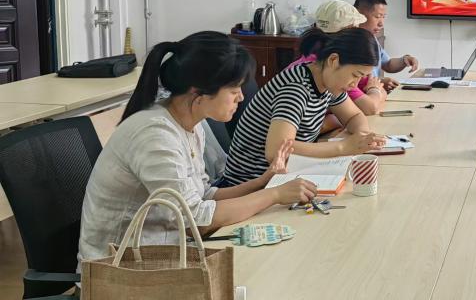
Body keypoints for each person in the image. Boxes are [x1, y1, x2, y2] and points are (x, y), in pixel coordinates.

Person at [79, 32, 317, 264]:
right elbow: (194, 220)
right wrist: (274, 195)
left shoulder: (192, 124)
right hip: (120, 270)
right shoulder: (155, 135)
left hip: (164, 256)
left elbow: (203, 195)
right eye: (234, 90)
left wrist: (262, 182)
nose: (241, 98)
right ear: (198, 93)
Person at [220, 27, 386, 187]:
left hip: (288, 171)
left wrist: (362, 138)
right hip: (254, 182)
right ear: (333, 61)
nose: (355, 84)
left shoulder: (328, 83)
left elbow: (354, 116)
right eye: (355, 75)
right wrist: (343, 147)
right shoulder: (296, 88)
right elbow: (276, 150)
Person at [288, 0, 388, 117]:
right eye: (357, 29)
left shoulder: (327, 60)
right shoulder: (331, 69)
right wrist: (375, 90)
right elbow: (370, 108)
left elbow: (372, 96)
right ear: (348, 32)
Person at [354, 0, 418, 89]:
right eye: (377, 16)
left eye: (383, 17)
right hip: (364, 95)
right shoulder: (349, 42)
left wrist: (405, 60)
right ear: (358, 14)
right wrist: (380, 82)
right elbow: (350, 80)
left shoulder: (372, 38)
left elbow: (387, 64)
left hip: (375, 93)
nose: (381, 23)